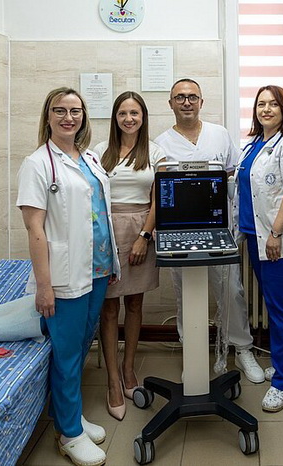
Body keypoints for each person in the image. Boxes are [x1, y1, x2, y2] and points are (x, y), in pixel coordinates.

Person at [17, 87, 120, 466]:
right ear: (47, 116)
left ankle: (70, 415)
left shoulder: (89, 157)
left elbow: (99, 211)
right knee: (67, 353)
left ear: (84, 117)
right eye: (59, 111)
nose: (68, 117)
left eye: (75, 111)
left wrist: (110, 264)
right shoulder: (37, 164)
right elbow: (34, 229)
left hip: (98, 268)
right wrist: (44, 286)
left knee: (80, 345)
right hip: (65, 275)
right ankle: (68, 434)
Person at [155, 78, 264, 384]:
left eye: (192, 97)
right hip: (179, 231)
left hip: (219, 228)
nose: (186, 102)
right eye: (180, 97)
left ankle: (242, 348)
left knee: (231, 290)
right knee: (185, 293)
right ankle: (191, 352)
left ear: (201, 102)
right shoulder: (161, 143)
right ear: (171, 103)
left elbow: (233, 176)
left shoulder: (219, 135)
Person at [234, 85, 283, 412]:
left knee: (280, 310)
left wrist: (276, 232)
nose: (266, 109)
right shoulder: (255, 144)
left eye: (273, 104)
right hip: (255, 235)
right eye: (261, 104)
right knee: (277, 306)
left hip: (280, 240)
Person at [93, 91, 166, 421]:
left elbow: (159, 200)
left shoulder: (155, 152)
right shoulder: (100, 152)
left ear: (143, 117)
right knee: (109, 308)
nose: (129, 119)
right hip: (107, 231)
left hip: (141, 230)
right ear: (115, 118)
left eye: (134, 113)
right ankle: (112, 381)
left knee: (135, 304)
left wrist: (144, 237)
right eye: (123, 113)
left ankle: (128, 368)